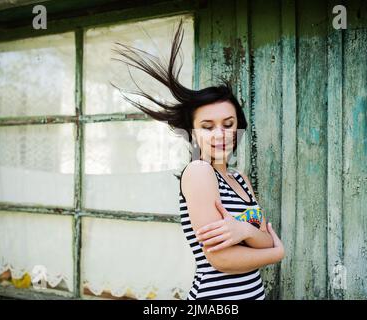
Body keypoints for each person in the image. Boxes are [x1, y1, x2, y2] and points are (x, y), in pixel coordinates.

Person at [112, 19, 285, 300]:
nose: (220, 133)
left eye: (228, 124)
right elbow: (222, 260)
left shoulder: (240, 179)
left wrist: (242, 229)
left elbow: (263, 235)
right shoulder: (199, 172)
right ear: (193, 133)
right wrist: (274, 252)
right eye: (208, 126)